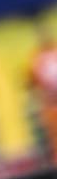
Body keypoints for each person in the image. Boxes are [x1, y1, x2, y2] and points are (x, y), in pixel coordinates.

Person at [30, 30, 57, 165]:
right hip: (50, 104)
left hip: (50, 104)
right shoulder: (39, 59)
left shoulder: (38, 59)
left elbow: (32, 81)